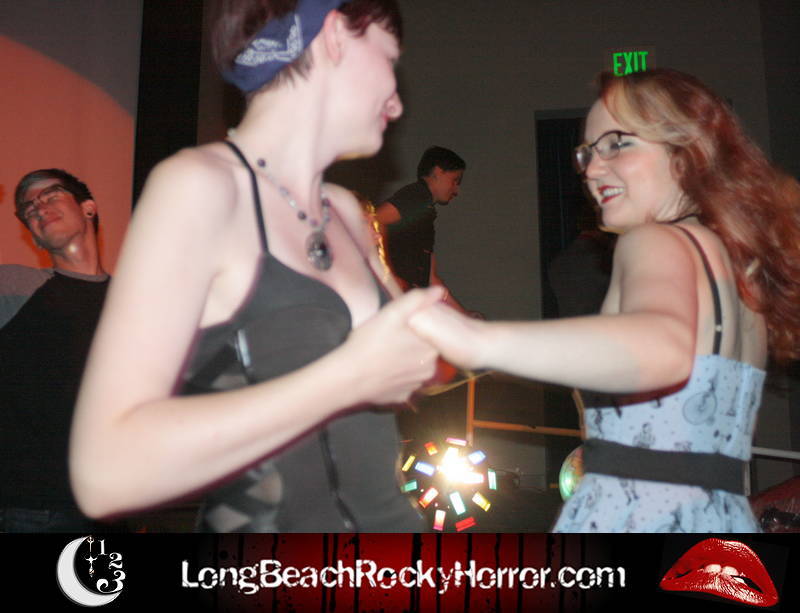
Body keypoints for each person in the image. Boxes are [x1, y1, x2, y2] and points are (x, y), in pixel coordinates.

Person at [70, 0, 442, 533]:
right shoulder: (200, 187)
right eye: (389, 57)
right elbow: (105, 473)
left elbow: (408, 374)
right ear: (334, 35)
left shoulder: (347, 214)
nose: (398, 103)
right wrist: (348, 378)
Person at [409, 68, 800, 532]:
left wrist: (472, 339)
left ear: (684, 152)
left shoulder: (654, 241)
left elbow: (659, 349)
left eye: (617, 144)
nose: (592, 169)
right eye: (587, 152)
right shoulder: (736, 267)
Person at [1, 169, 109, 532]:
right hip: (34, 509)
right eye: (29, 208)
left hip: (110, 507)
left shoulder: (133, 299)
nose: (38, 207)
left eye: (51, 195)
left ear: (88, 208)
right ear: (33, 235)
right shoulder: (16, 287)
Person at [375, 146, 470, 313]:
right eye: (455, 180)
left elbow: (432, 280)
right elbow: (374, 222)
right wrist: (387, 274)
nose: (456, 189)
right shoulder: (416, 196)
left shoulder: (425, 212)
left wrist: (463, 316)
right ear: (438, 172)